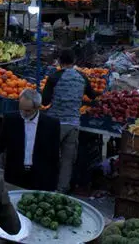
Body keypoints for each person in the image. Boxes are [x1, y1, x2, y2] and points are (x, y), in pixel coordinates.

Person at [42, 49, 97, 193]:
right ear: (74, 61)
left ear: (59, 62)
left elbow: (45, 100)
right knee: (67, 160)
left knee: (49, 157)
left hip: (55, 124)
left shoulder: (54, 77)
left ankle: (47, 186)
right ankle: (62, 189)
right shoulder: (82, 77)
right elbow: (92, 95)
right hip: (73, 124)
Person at [0, 89, 60, 191]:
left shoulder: (52, 124)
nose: (23, 113)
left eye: (27, 110)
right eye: (21, 108)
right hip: (15, 174)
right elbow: (0, 143)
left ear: (38, 108)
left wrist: (53, 184)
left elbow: (54, 156)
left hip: (39, 177)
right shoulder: (11, 119)